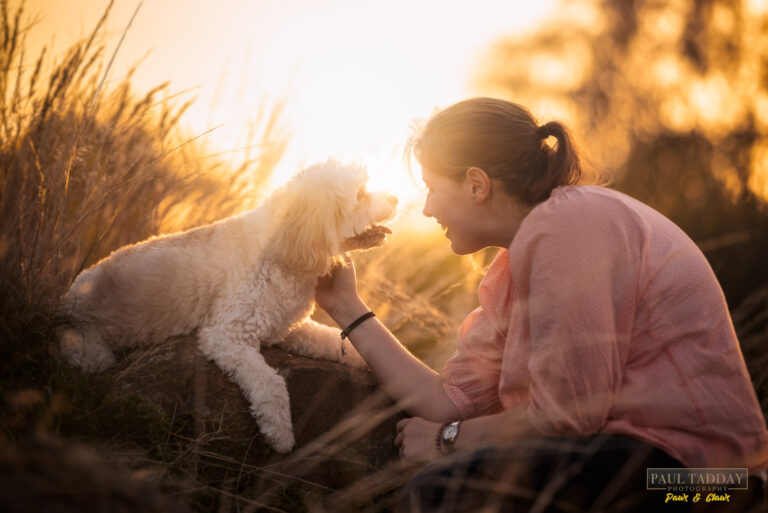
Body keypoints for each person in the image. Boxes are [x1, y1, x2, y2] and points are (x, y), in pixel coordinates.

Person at [314, 97, 768, 511]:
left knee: (443, 492)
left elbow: (568, 418)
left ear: (476, 184)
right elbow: (450, 402)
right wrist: (346, 306)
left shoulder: (571, 224)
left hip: (710, 481)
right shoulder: (513, 271)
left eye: (433, 188)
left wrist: (449, 441)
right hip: (637, 464)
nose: (428, 209)